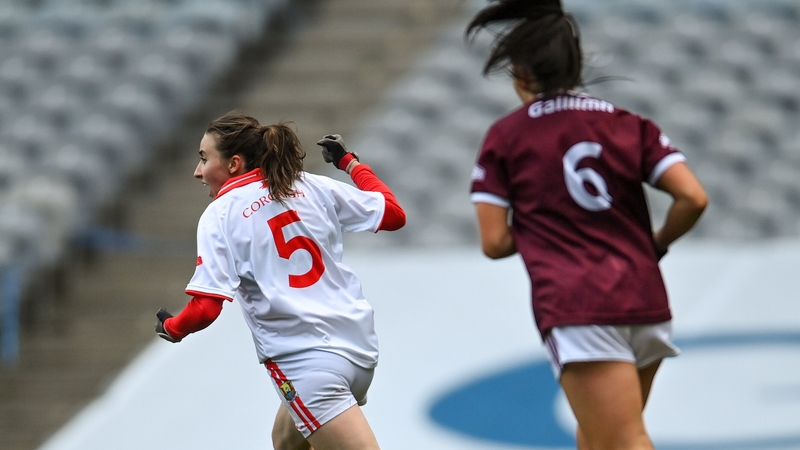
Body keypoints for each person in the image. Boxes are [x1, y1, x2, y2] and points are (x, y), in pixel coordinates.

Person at [466, 1, 708, 449]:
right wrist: (658, 242)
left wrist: (546, 217)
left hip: (580, 305)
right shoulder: (629, 125)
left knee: (623, 440)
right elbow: (692, 197)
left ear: (520, 74)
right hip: (645, 297)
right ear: (575, 65)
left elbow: (495, 242)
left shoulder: (507, 136)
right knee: (596, 438)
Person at [154, 112, 405, 450]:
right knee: (286, 441)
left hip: (306, 365)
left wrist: (173, 327)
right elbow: (392, 214)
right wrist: (350, 164)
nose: (197, 171)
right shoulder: (309, 184)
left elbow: (206, 307)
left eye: (203, 158)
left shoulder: (221, 214)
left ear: (233, 164)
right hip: (358, 352)